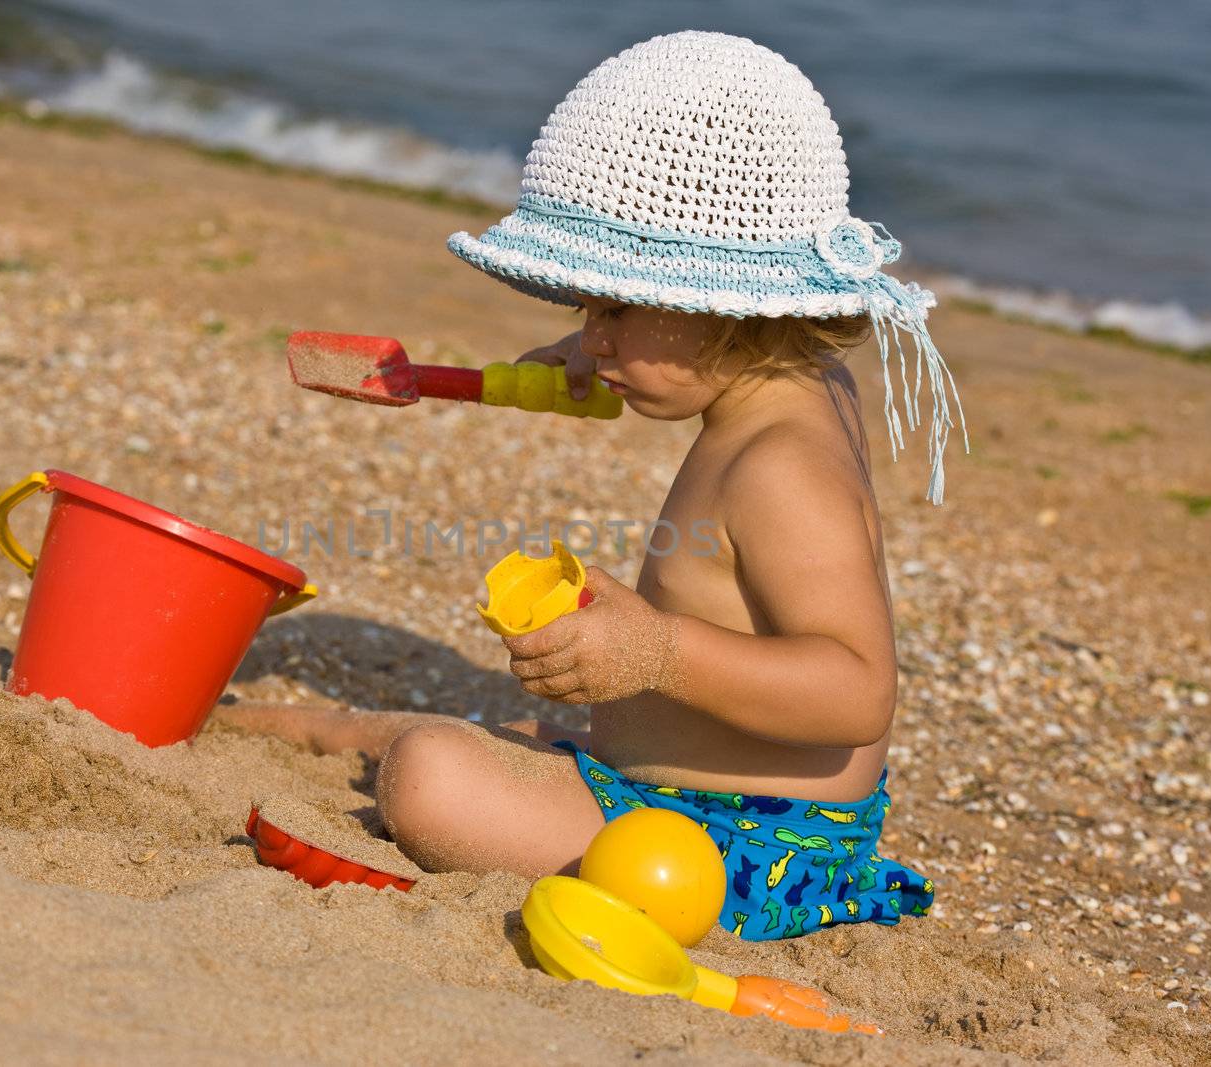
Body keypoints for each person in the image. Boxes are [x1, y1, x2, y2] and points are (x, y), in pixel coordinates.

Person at [215, 30, 963, 940]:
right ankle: (269, 723)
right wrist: (596, 355)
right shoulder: (797, 386)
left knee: (431, 774)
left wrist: (656, 654)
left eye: (615, 308)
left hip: (738, 851)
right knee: (444, 740)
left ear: (724, 307)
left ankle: (302, 728)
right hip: (666, 793)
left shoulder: (779, 468)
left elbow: (856, 691)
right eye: (585, 311)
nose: (594, 336)